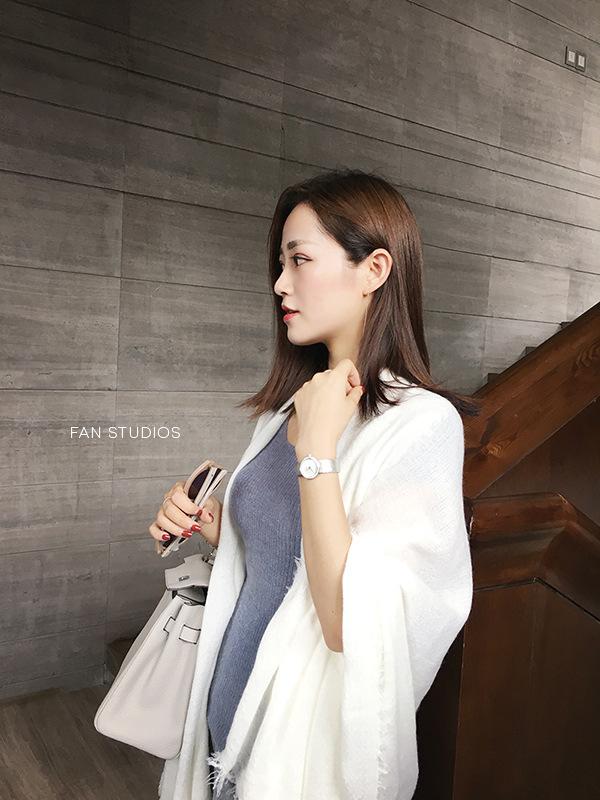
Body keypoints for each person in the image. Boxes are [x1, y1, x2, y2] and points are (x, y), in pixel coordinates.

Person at [151, 168, 480, 800]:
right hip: (221, 729)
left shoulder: (421, 424)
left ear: (374, 269)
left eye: (299, 260)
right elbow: (281, 565)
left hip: (291, 762)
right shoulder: (286, 410)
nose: (280, 283)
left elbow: (351, 624)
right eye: (281, 263)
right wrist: (216, 527)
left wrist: (319, 453)